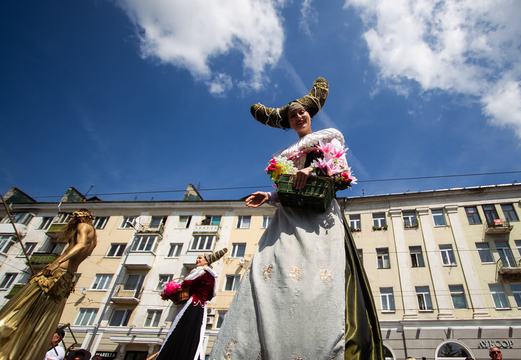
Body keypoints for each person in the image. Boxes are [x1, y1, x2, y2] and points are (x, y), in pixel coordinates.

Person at [210, 77, 383, 359]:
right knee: (268, 271)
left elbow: (340, 176)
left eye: (302, 111)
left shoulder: (328, 138)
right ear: (289, 123)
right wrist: (269, 197)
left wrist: (314, 171)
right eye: (292, 115)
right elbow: (286, 189)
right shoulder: (284, 157)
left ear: (310, 114)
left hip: (320, 219)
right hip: (287, 219)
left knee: (319, 278)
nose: (298, 116)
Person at [0, 209, 97, 360]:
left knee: (19, 309)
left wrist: (55, 263)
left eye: (72, 218)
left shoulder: (83, 226)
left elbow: (80, 246)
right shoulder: (95, 237)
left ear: (79, 218)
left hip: (57, 274)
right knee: (41, 318)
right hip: (67, 278)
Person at [154, 249, 227, 360]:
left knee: (181, 329)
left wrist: (169, 291)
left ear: (206, 261)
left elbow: (186, 283)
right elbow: (211, 294)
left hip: (192, 305)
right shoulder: (212, 277)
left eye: (200, 258)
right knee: (194, 334)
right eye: (197, 258)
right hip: (201, 309)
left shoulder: (200, 271)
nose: (197, 260)